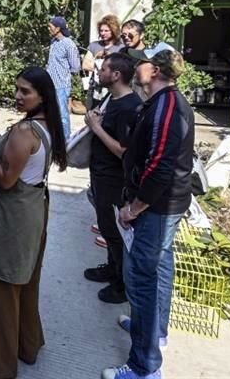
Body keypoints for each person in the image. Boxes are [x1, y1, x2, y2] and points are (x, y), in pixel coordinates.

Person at [0, 67, 68, 379]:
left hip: (13, 220)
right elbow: (22, 164)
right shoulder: (45, 125)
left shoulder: (25, 132)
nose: (18, 96)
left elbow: (8, 178)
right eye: (17, 89)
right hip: (33, 212)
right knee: (25, 283)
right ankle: (28, 345)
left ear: (42, 96)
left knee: (0, 286)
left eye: (26, 91)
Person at [102, 43, 194, 379]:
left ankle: (144, 366)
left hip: (158, 207)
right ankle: (152, 332)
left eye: (141, 64)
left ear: (154, 71)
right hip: (162, 204)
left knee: (141, 278)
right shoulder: (160, 103)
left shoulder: (167, 106)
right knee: (156, 269)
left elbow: (160, 166)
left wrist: (134, 208)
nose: (136, 67)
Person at [82, 54, 142, 305]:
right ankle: (111, 267)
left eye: (105, 68)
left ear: (116, 75)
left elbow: (123, 151)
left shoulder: (130, 106)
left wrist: (96, 127)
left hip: (113, 178)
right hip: (100, 172)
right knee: (106, 226)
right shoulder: (112, 98)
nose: (100, 71)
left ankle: (120, 284)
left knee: (114, 231)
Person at [44, 15, 81, 139]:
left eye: (51, 27)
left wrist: (63, 74)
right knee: (50, 113)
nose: (49, 29)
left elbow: (76, 67)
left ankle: (65, 140)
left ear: (58, 28)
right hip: (50, 84)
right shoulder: (53, 42)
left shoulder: (69, 44)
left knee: (62, 115)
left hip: (61, 85)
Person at [84, 14, 125, 109]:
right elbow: (85, 65)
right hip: (95, 90)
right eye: (101, 31)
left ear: (113, 31)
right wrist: (96, 58)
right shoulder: (94, 46)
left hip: (113, 91)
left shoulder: (121, 48)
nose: (103, 33)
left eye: (106, 31)